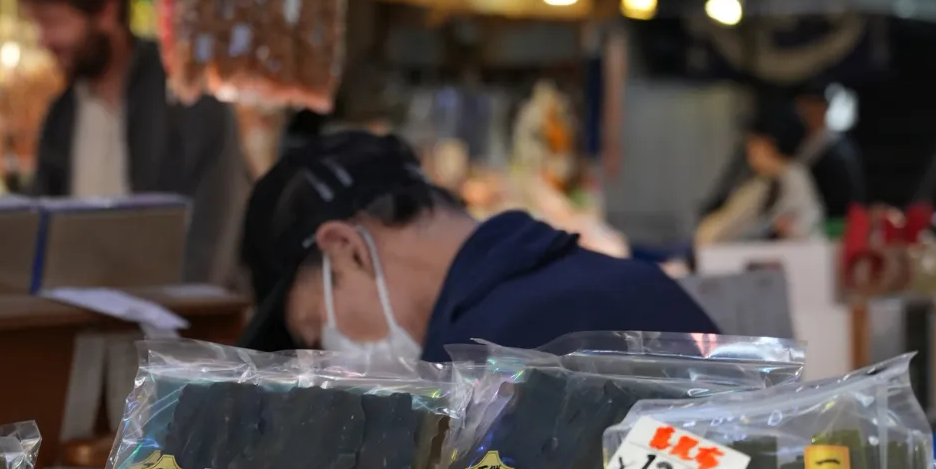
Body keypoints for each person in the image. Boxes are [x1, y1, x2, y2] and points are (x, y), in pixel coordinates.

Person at [238, 130, 713, 362]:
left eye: (314, 331)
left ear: (347, 250)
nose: (331, 359)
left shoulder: (482, 359)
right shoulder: (626, 282)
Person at [20, 0, 249, 286]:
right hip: (83, 317)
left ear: (107, 13)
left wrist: (188, 308)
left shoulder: (185, 94)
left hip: (173, 318)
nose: (44, 41)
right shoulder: (62, 114)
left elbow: (218, 218)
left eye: (53, 22)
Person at [695, 110, 824, 249]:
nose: (749, 150)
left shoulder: (787, 179)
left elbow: (719, 229)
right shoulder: (771, 180)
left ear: (770, 145)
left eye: (754, 143)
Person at [793, 86, 866, 221]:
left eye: (808, 106)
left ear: (823, 108)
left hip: (830, 223)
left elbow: (848, 198)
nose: (803, 112)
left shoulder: (839, 151)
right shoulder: (803, 142)